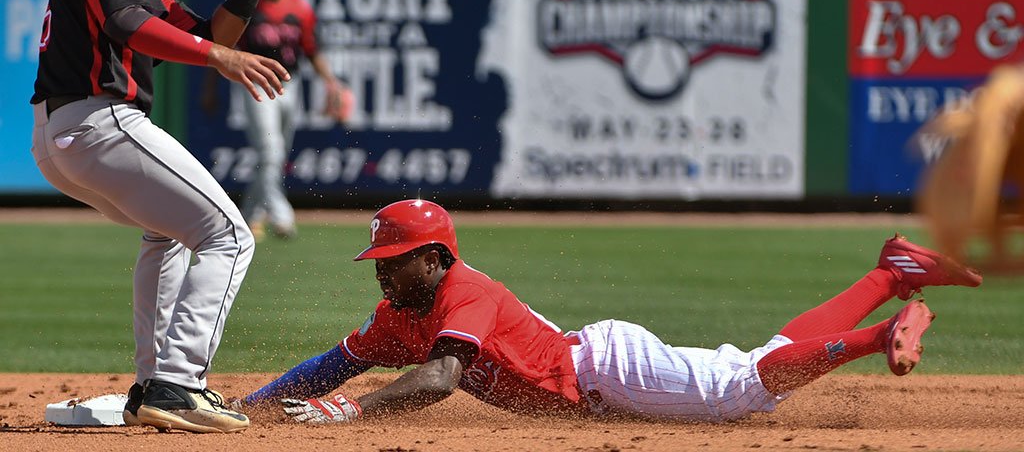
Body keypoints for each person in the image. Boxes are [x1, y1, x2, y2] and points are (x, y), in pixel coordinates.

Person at [237, 199, 983, 423]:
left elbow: (438, 379)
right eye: (379, 266)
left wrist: (351, 416)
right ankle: (891, 274)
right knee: (753, 363)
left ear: (434, 257)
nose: (384, 278)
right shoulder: (399, 314)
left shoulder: (465, 290)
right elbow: (334, 364)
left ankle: (880, 331)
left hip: (604, 370)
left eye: (393, 263)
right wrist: (257, 406)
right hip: (598, 382)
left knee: (741, 390)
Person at [30, 0, 292, 434]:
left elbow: (204, 30)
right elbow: (131, 24)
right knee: (229, 234)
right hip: (99, 121)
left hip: (67, 133)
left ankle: (153, 386)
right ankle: (179, 384)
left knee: (169, 231)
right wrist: (219, 57)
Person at [221, 0, 352, 242]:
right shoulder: (250, 6)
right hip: (256, 83)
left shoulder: (300, 9)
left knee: (274, 157)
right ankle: (282, 216)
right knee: (270, 152)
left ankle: (250, 216)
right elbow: (225, 45)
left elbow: (312, 50)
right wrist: (210, 85)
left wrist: (331, 83)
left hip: (288, 85)